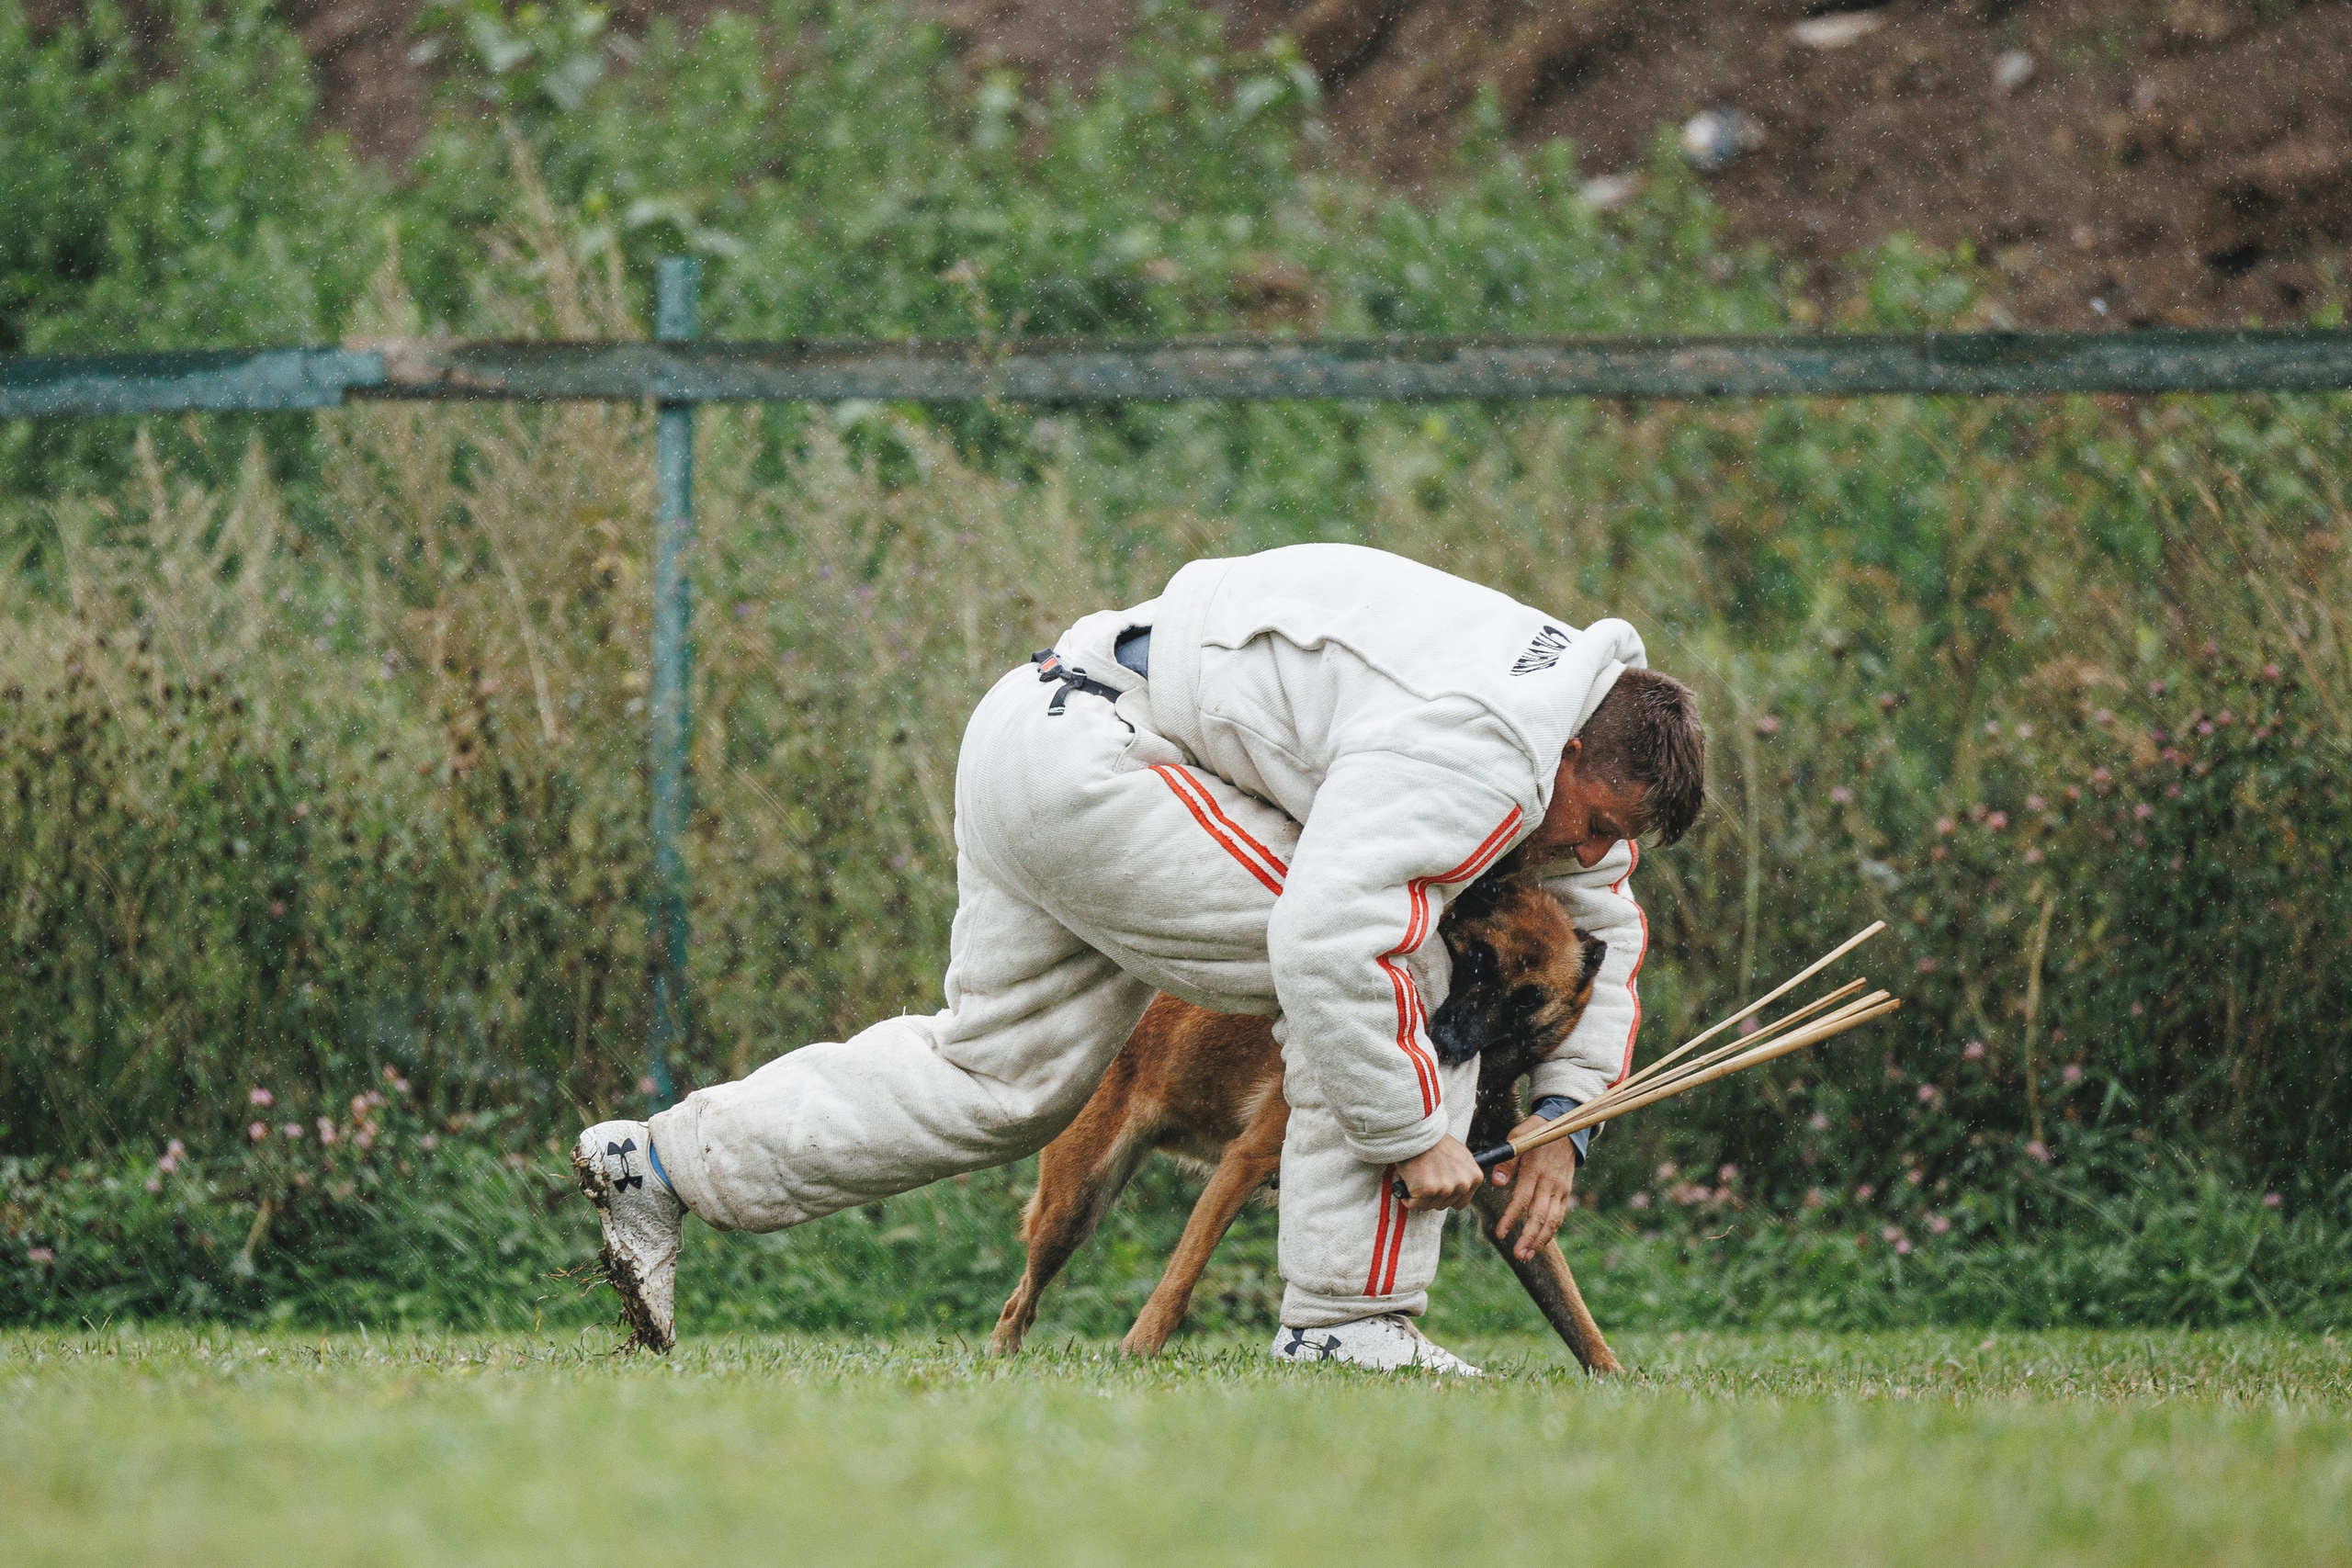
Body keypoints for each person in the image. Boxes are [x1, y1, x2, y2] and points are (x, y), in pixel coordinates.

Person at [576, 543, 1705, 1372]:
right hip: (1113, 761)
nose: (1591, 851)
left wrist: (1567, 1123)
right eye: (1594, 818)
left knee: (998, 1080)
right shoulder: (1493, 745)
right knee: (1400, 957)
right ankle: (1347, 1322)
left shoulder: (1567, 724)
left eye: (1619, 839)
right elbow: (1335, 935)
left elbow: (1601, 922)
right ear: (1566, 754)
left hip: (1040, 730)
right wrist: (1415, 1138)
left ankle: (661, 1167)